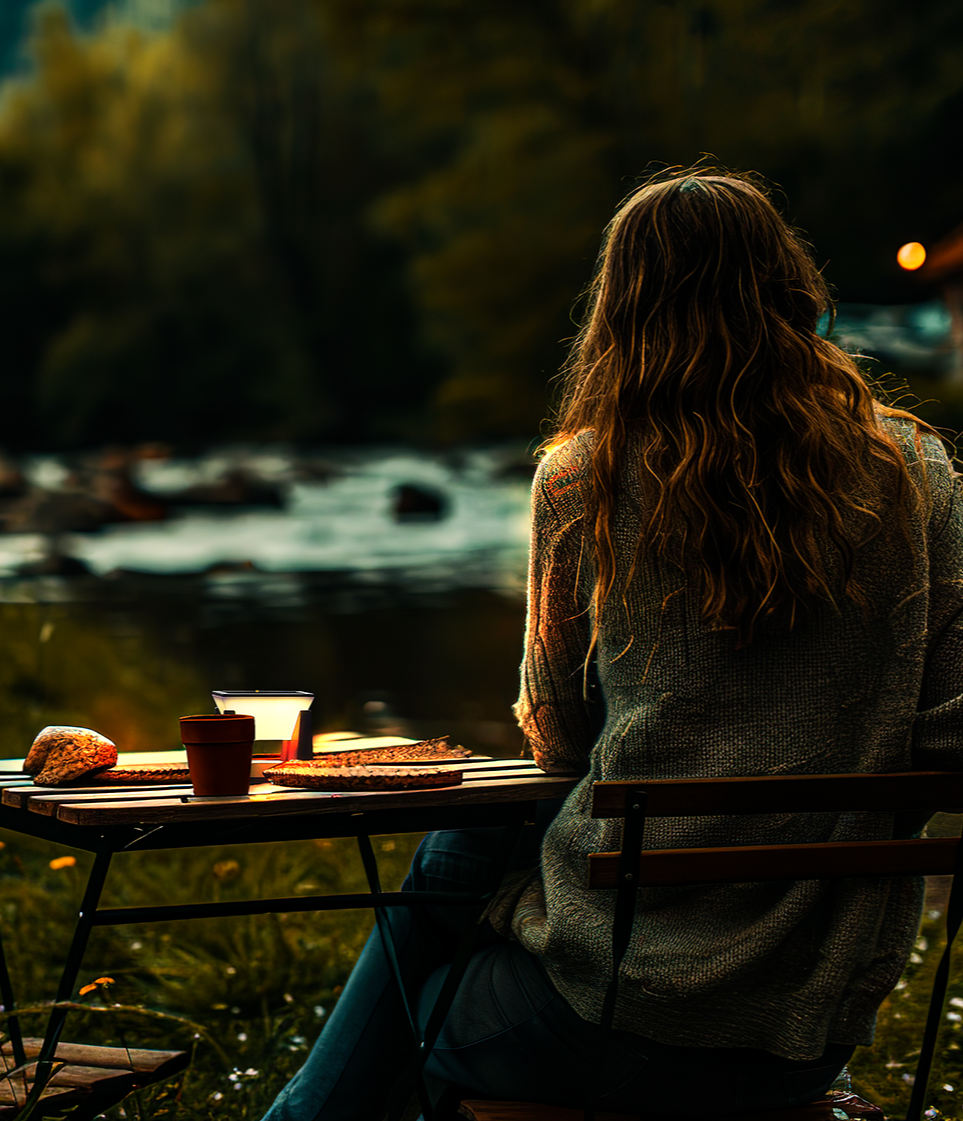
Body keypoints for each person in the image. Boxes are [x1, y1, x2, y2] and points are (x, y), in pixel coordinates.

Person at [259, 168, 963, 1120]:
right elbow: (952, 730)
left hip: (610, 1022)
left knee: (427, 1002)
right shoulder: (916, 471)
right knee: (466, 860)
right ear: (792, 289)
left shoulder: (581, 478)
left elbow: (556, 734)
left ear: (621, 310)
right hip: (805, 1031)